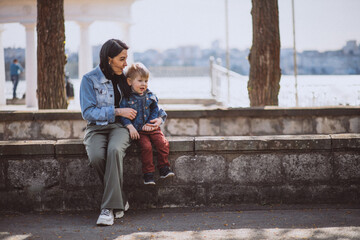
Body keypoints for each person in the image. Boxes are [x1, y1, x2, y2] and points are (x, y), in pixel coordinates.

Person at [79, 39, 165, 226]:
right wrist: (117, 111)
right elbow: (87, 112)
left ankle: (107, 209)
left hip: (121, 127)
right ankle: (120, 199)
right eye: (122, 59)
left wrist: (158, 118)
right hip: (96, 127)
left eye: (126, 59)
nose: (126, 63)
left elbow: (147, 98)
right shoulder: (89, 79)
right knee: (96, 156)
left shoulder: (125, 78)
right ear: (109, 59)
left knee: (114, 151)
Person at [119, 62, 175, 185]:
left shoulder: (150, 95)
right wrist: (130, 127)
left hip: (152, 128)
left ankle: (164, 168)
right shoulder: (127, 99)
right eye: (140, 81)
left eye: (146, 81)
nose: (143, 84)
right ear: (129, 82)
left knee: (163, 143)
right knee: (146, 147)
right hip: (139, 130)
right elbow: (124, 117)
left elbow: (156, 109)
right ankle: (148, 174)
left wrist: (152, 122)